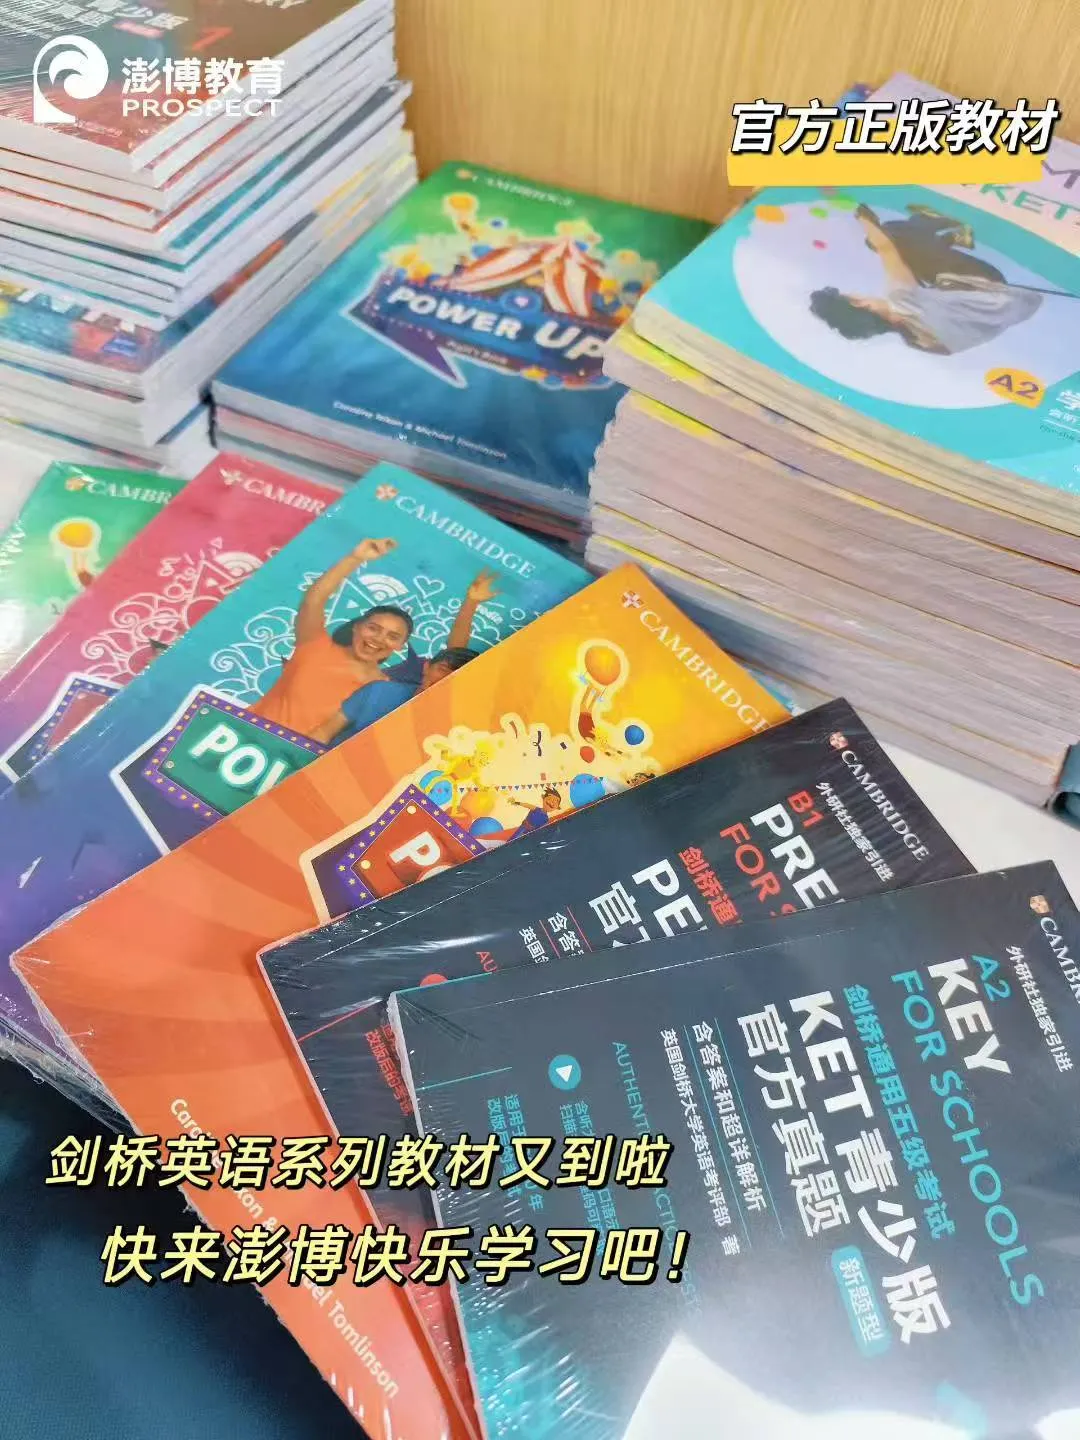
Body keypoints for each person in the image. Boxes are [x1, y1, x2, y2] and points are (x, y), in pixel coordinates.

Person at [809, 202, 1043, 354]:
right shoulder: (901, 300)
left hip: (1010, 304)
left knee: (926, 284)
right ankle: (931, 221)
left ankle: (953, 239)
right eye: (857, 295)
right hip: (987, 283)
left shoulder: (918, 341)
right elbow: (886, 249)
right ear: (859, 303)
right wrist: (863, 217)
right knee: (887, 237)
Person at [306, 567, 501, 747]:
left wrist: (471, 603)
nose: (444, 679)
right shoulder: (379, 691)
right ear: (426, 667)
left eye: (453, 677)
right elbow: (323, 734)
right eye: (442, 670)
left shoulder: (456, 728)